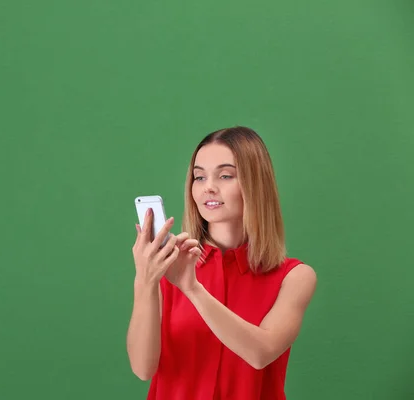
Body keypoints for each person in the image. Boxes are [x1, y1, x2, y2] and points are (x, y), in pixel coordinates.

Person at [126, 126, 317, 400]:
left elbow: (260, 353)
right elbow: (143, 368)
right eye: (199, 177)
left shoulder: (294, 277)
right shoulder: (167, 267)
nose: (209, 187)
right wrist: (145, 280)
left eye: (225, 175)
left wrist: (192, 289)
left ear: (255, 184)